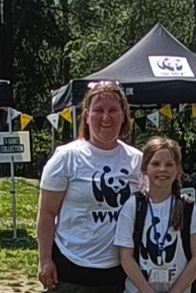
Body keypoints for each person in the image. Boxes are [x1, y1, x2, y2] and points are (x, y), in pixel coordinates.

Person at [37, 81, 142, 292]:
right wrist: (45, 260)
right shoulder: (66, 157)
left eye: (113, 110)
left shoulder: (137, 161)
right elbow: (47, 213)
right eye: (98, 111)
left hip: (118, 273)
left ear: (123, 115)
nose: (106, 117)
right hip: (70, 271)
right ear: (86, 115)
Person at [116, 137, 196, 293]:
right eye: (156, 164)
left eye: (169, 164)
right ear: (145, 168)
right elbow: (125, 257)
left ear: (178, 170)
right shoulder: (133, 207)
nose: (162, 169)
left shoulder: (188, 208)